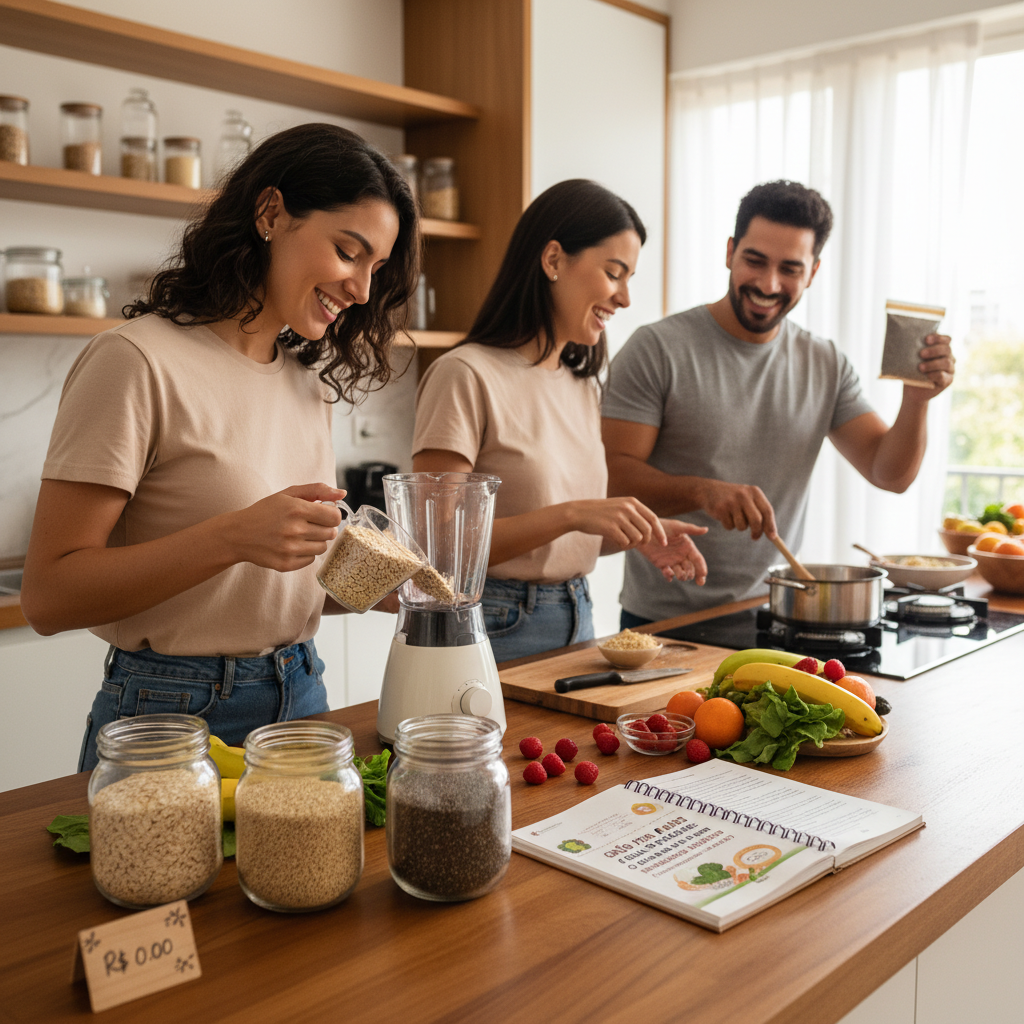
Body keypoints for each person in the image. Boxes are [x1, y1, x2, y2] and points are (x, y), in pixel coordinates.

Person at [19, 123, 419, 770]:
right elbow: (48, 596)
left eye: (377, 268)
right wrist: (232, 537)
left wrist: (390, 585)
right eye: (349, 252)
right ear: (270, 213)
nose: (363, 289)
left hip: (302, 689)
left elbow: (281, 583)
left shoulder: (304, 379)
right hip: (170, 710)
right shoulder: (135, 361)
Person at [602, 179, 956, 627]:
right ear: (730, 251)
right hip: (664, 621)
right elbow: (612, 477)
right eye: (754, 260)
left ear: (813, 272)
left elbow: (890, 474)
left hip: (774, 611)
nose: (768, 284)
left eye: (790, 268)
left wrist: (917, 401)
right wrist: (703, 491)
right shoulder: (657, 348)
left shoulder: (825, 362)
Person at [411, 179, 707, 661]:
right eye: (615, 273)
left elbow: (557, 538)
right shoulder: (464, 374)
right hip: (492, 622)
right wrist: (573, 513)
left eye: (630, 278)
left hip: (578, 615)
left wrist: (634, 535)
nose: (625, 297)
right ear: (552, 260)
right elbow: (439, 550)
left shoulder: (582, 385)